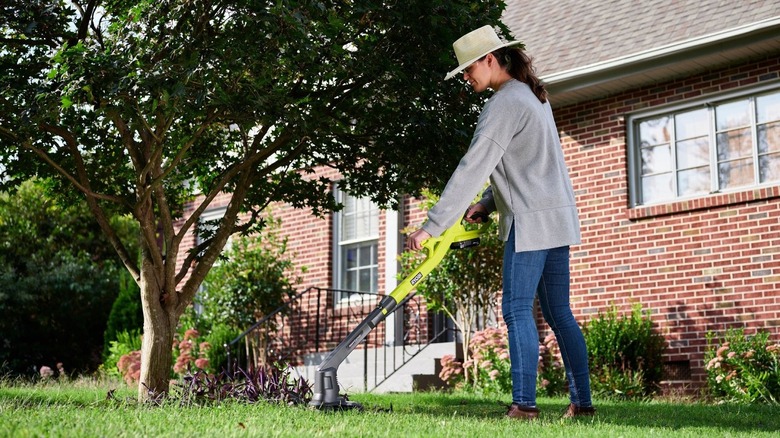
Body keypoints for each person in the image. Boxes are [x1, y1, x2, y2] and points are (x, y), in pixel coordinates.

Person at [405, 25, 595, 420]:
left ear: (490, 59)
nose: (467, 77)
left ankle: (524, 405)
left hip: (530, 224)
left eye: (469, 69)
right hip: (556, 218)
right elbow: (533, 165)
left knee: (515, 310)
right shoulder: (534, 96)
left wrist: (433, 225)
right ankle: (583, 404)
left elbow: (474, 166)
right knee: (560, 312)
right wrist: (488, 204)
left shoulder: (504, 103)